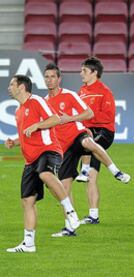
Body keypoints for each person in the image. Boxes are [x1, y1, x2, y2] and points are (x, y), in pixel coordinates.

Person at [43, 63, 131, 237]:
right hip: (64, 146)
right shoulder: (48, 101)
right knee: (65, 187)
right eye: (47, 77)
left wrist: (73, 120)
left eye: (53, 76)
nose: (49, 80)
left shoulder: (76, 94)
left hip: (89, 133)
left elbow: (93, 114)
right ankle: (72, 225)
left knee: (88, 143)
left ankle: (115, 171)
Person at [4, 75, 80, 252]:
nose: (9, 87)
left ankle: (70, 212)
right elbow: (26, 135)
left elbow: (55, 119)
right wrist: (14, 142)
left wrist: (37, 125)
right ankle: (29, 244)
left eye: (12, 84)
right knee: (27, 201)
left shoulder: (36, 100)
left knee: (45, 174)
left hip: (48, 149)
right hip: (30, 159)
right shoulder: (19, 111)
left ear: (22, 87)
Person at [75, 57, 130, 224]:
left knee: (86, 140)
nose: (81, 73)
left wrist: (88, 117)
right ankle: (93, 215)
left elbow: (108, 116)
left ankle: (112, 171)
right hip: (88, 131)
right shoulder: (82, 91)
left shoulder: (104, 91)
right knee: (92, 176)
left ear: (94, 73)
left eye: (84, 71)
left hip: (104, 131)